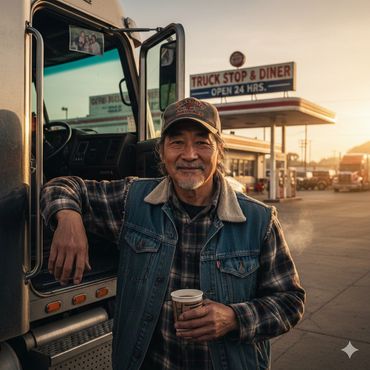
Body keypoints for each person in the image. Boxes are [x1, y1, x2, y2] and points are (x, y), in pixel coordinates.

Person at [41, 97, 305, 370]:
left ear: (219, 151)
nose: (189, 154)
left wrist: (235, 318)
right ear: (161, 152)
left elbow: (290, 302)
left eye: (202, 142)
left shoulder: (258, 220)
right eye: (177, 142)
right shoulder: (133, 201)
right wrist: (68, 219)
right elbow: (62, 186)